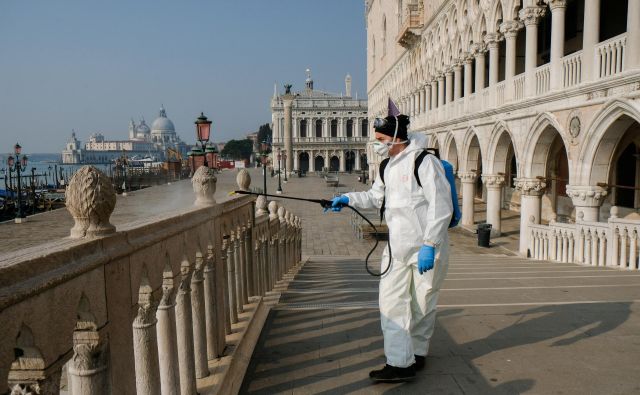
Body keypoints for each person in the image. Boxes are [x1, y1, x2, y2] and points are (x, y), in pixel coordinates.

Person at [328, 114, 453, 382]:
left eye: (381, 140)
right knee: (391, 303)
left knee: (422, 304)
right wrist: (347, 198)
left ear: (397, 138)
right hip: (396, 249)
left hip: (426, 248)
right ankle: (399, 362)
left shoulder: (425, 162)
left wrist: (430, 245)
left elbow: (442, 207)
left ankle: (416, 354)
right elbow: (375, 197)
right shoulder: (386, 166)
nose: (378, 145)